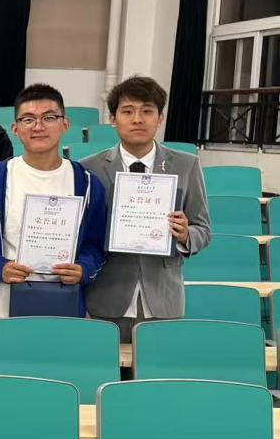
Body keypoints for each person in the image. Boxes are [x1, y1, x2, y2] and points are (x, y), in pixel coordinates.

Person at [0, 84, 107, 334]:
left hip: (64, 304)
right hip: (1, 308)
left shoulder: (87, 183)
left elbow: (96, 244)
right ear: (15, 129)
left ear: (65, 124)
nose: (38, 126)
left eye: (49, 117)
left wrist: (83, 269)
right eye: (28, 119)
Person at [85, 75, 211, 340]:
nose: (137, 119)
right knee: (107, 364)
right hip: (107, 295)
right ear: (113, 118)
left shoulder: (186, 165)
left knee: (159, 367)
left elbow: (203, 229)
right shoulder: (89, 167)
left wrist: (185, 235)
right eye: (127, 111)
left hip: (163, 299)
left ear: (160, 118)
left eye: (147, 111)